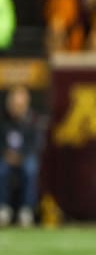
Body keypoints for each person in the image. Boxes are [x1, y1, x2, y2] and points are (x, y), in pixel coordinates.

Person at [0, 86, 43, 227]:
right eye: (13, 104)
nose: (16, 107)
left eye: (19, 104)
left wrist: (21, 155)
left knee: (31, 168)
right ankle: (3, 208)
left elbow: (36, 144)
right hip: (5, 157)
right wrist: (6, 153)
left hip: (25, 157)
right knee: (1, 169)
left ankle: (27, 209)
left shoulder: (33, 120)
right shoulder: (3, 119)